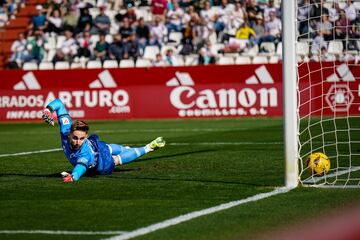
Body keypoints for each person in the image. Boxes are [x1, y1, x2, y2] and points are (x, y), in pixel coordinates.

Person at [42, 98, 166, 182]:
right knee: (111, 153)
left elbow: (80, 167)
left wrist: (73, 176)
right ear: (69, 134)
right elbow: (59, 103)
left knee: (113, 155)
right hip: (98, 155)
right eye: (75, 138)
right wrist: (48, 110)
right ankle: (139, 148)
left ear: (85, 136)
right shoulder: (66, 129)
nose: (78, 142)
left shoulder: (84, 153)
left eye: (81, 139)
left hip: (98, 155)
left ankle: (148, 147)